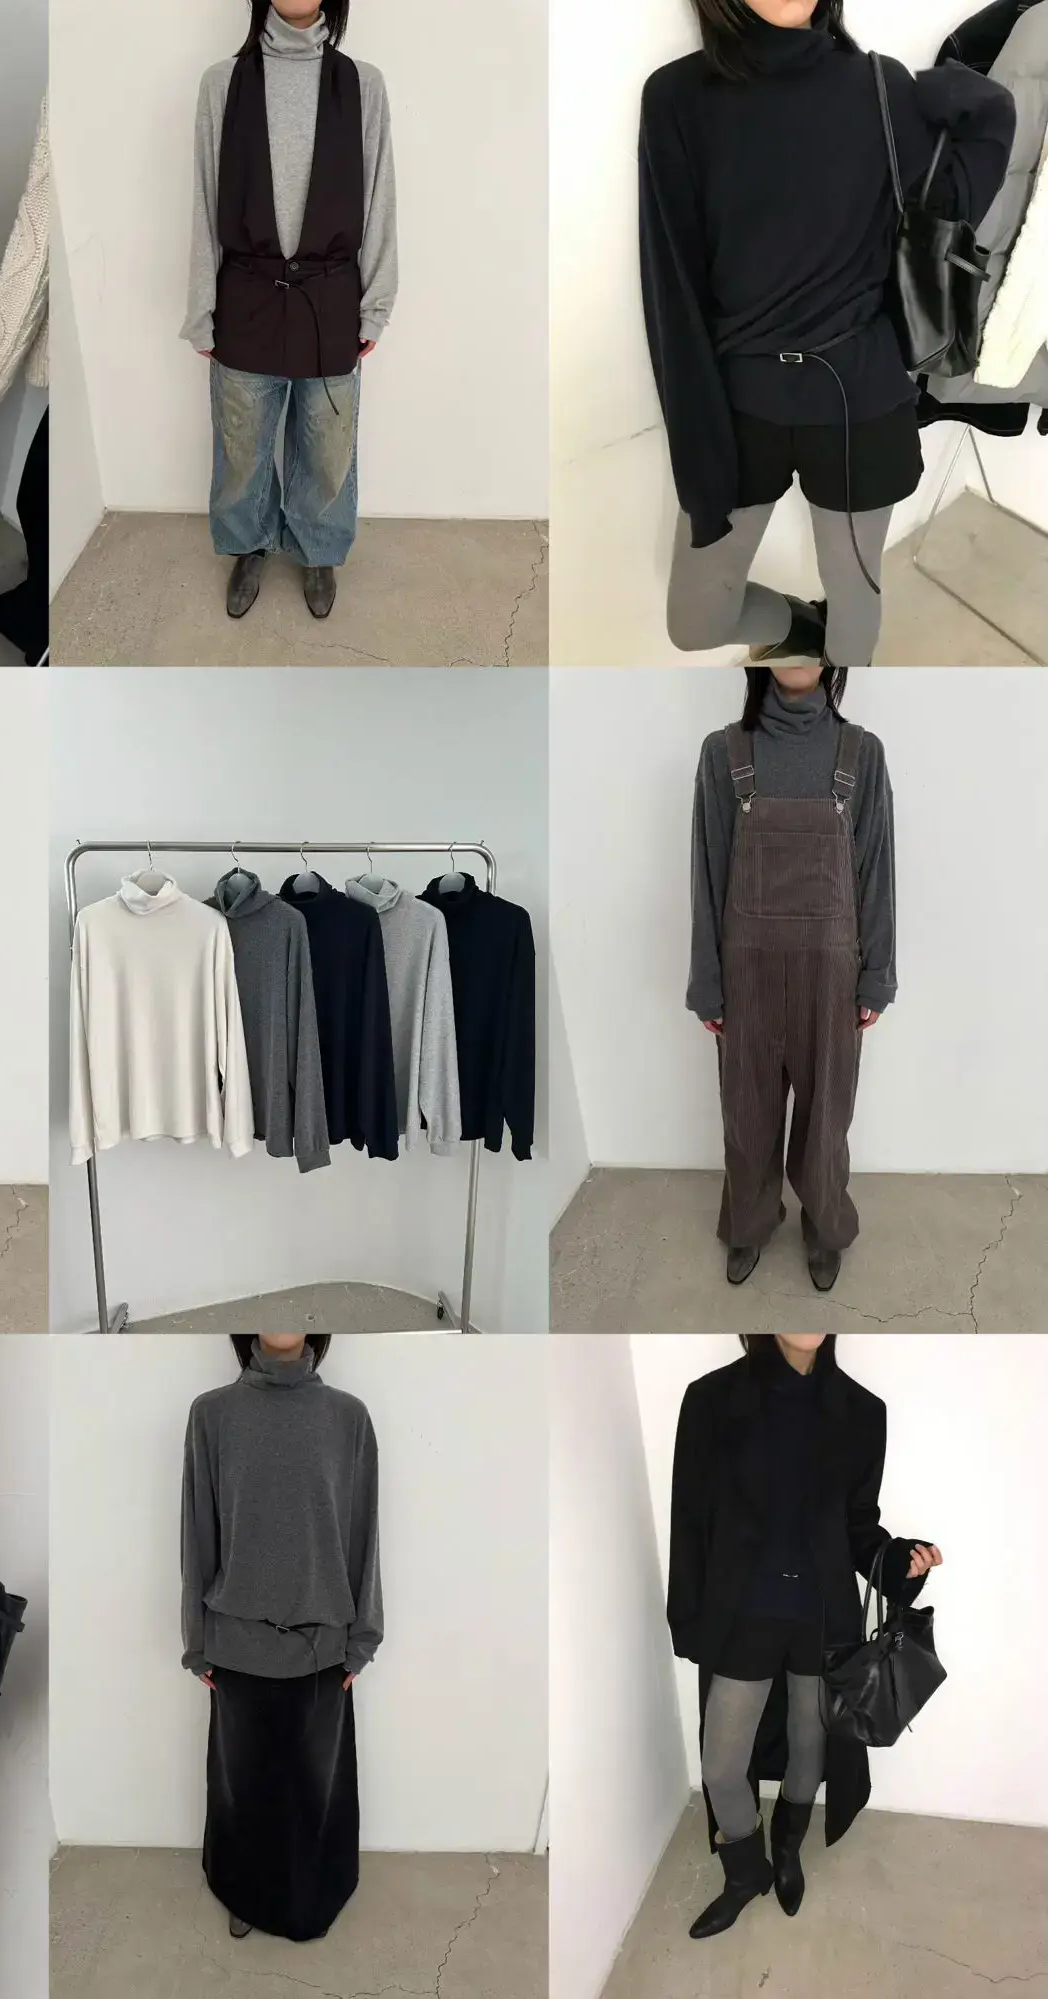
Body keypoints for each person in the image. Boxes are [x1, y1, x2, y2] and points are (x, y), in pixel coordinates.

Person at [640, 0, 1014, 670]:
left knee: (856, 612)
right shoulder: (677, 97)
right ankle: (805, 630)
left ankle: (833, 703)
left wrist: (969, 96)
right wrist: (695, 438)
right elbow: (672, 289)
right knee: (696, 621)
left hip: (861, 402)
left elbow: (955, 205)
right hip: (738, 408)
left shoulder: (882, 86)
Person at [669, 1333, 942, 1938]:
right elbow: (689, 1520)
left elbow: (859, 1527)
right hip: (743, 1615)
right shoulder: (711, 1400)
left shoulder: (862, 1411)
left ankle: (787, 1849)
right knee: (722, 1766)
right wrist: (686, 1618)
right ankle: (746, 1872)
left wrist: (901, 1562)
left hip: (823, 1619)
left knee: (810, 1750)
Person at [182, 1, 398, 622]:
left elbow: (380, 198)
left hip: (330, 296)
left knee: (327, 446)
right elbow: (204, 201)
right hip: (245, 295)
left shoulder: (363, 84)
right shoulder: (222, 83)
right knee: (242, 446)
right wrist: (201, 308)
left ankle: (317, 548)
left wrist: (376, 304)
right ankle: (249, 544)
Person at [688, 660, 895, 1292]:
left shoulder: (861, 753)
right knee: (746, 1115)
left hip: (832, 974)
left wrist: (877, 977)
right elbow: (707, 872)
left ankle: (825, 1229)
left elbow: (877, 870)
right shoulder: (724, 752)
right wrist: (707, 983)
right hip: (745, 971)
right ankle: (748, 1225)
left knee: (827, 1121)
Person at [181, 1332, 383, 1941]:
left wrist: (363, 1640)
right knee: (243, 1787)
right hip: (237, 1648)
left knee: (313, 1788)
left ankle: (311, 1898)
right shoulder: (212, 1414)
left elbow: (363, 1534)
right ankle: (244, 1892)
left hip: (323, 1650)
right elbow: (197, 1533)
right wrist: (196, 1641)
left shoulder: (348, 1417)